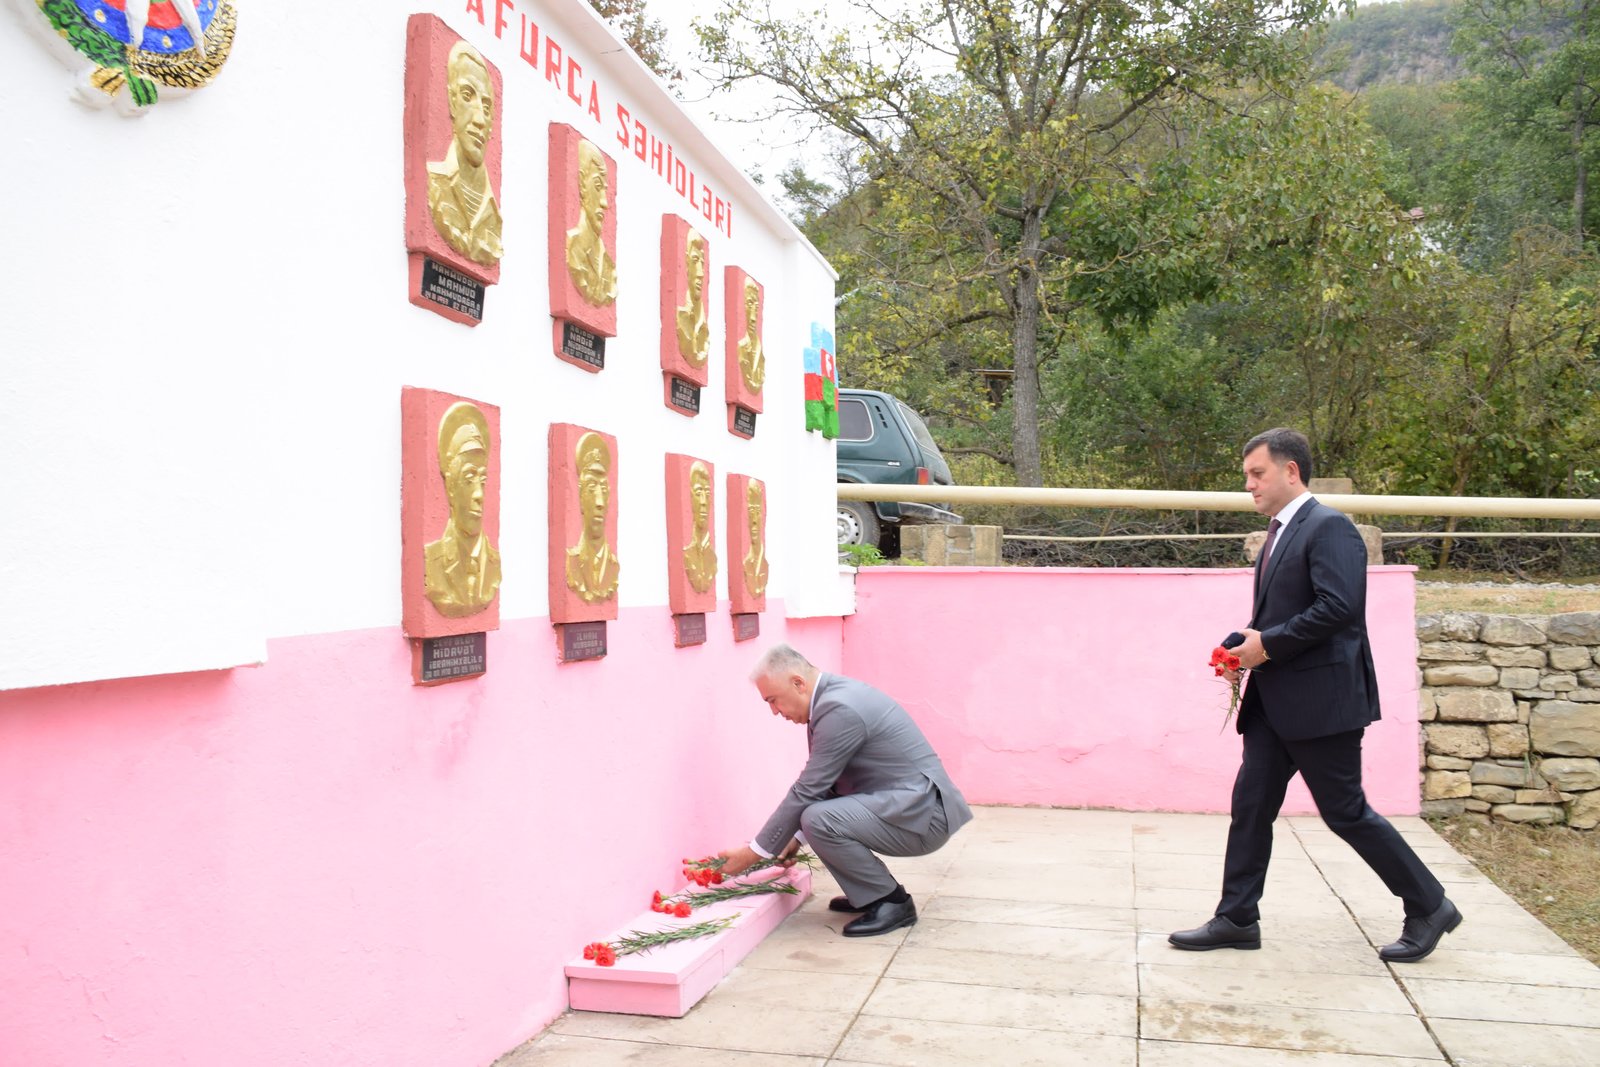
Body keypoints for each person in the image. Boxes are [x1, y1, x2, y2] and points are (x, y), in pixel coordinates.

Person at [1170, 428, 1460, 963]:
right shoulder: (1280, 533)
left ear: (1291, 471)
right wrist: (1242, 646)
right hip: (1274, 703)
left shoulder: (1330, 527)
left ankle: (1429, 904)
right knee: (1251, 806)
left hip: (1322, 703)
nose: (1249, 485)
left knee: (1345, 812)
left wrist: (1266, 646)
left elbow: (1338, 607)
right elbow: (1284, 613)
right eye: (1247, 476)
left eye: (1257, 473)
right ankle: (1237, 917)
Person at [719, 645, 972, 937]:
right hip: (911, 806)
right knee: (815, 818)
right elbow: (827, 783)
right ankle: (869, 893)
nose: (774, 711)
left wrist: (754, 853)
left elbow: (808, 789)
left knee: (819, 819)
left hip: (925, 817)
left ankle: (891, 902)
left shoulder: (839, 708)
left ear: (798, 683)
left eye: (773, 700)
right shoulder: (833, 699)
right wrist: (794, 838)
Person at [426, 40, 503, 268]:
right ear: (452, 101)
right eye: (467, 96)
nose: (480, 120)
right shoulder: (435, 183)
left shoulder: (494, 215)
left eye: (487, 108)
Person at [424, 402, 501, 616]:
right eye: (469, 479)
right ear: (450, 486)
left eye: (482, 481)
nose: (479, 495)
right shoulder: (433, 561)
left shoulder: (493, 562)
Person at [565, 432, 620, 602]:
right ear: (581, 498)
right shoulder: (573, 560)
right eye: (591, 489)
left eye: (603, 490)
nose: (599, 502)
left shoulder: (612, 565)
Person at [565, 139, 618, 306]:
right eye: (597, 186)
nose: (604, 202)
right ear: (582, 183)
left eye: (604, 191)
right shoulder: (573, 248)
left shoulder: (608, 266)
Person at [675, 229, 710, 367]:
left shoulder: (703, 320)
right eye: (695, 260)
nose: (701, 273)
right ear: (686, 262)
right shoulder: (681, 314)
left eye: (702, 263)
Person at [682, 460, 717, 594]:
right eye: (698, 494)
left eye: (707, 495)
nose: (703, 502)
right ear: (690, 497)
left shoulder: (712, 558)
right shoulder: (688, 554)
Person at [736, 277, 765, 392]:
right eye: (749, 304)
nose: (753, 318)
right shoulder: (741, 347)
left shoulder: (760, 354)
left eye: (756, 308)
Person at [741, 480, 768, 599]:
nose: (755, 520)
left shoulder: (764, 564)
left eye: (758, 512)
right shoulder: (747, 562)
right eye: (751, 512)